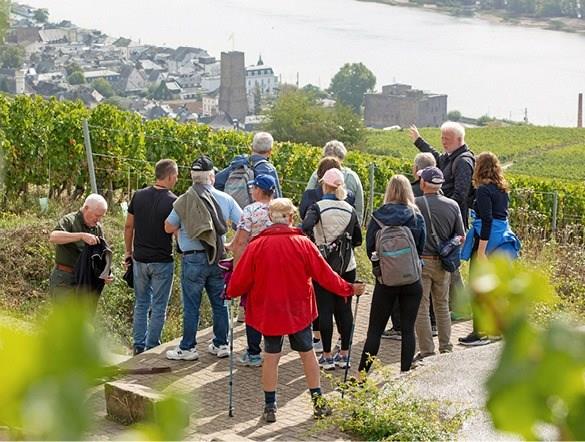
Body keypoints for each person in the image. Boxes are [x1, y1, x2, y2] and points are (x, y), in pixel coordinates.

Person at [226, 198, 366, 423]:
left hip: (270, 311)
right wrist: (349, 288)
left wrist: (229, 291)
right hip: (298, 311)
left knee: (271, 357)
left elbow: (238, 283)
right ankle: (318, 402)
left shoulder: (256, 246)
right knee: (307, 354)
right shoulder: (303, 244)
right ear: (291, 218)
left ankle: (269, 407)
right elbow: (326, 276)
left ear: (270, 218)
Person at [164, 155, 242, 361]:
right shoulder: (225, 199)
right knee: (219, 302)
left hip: (192, 259)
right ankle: (221, 344)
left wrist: (183, 230)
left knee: (191, 306)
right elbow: (243, 223)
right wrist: (232, 244)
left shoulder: (184, 200)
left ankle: (188, 348)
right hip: (218, 256)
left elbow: (168, 226)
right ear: (212, 177)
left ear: (192, 177)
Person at [358, 175, 426, 374]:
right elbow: (421, 247)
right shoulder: (416, 215)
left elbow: (370, 247)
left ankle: (361, 377)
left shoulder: (378, 217)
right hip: (411, 280)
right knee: (408, 329)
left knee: (375, 331)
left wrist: (381, 267)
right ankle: (404, 374)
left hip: (385, 281)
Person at [409, 122, 474, 319]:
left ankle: (462, 308)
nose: (444, 142)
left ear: (459, 140)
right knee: (448, 264)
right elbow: (436, 157)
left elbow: (461, 193)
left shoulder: (463, 161)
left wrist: (443, 210)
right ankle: (459, 307)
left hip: (451, 221)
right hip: (447, 217)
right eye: (442, 138)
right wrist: (419, 141)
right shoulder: (450, 157)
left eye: (447, 139)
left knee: (451, 264)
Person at [302, 168, 362, 370]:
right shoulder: (350, 209)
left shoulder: (317, 207)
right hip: (347, 265)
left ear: (324, 185)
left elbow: (305, 227)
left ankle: (326, 355)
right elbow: (358, 239)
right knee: (344, 309)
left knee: (325, 309)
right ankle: (344, 354)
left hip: (323, 266)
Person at [459, 152, 521, 346]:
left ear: (479, 167)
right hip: (502, 239)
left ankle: (480, 332)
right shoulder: (502, 189)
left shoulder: (484, 190)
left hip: (486, 241)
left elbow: (486, 220)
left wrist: (481, 251)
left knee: (477, 287)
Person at [124, 159, 178, 355]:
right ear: (170, 176)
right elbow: (176, 232)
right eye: (176, 176)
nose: (176, 179)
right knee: (159, 306)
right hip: (162, 260)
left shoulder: (138, 196)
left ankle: (138, 345)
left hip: (140, 259)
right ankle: (152, 345)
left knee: (141, 303)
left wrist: (128, 252)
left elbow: (129, 226)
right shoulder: (174, 201)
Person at [381, 152, 437, 340]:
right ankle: (432, 324)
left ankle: (399, 327)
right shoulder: (439, 193)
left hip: (400, 253)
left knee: (398, 292)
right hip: (428, 251)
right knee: (428, 294)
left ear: (416, 169)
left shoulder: (410, 194)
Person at [414, 167, 465, 360]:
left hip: (421, 262)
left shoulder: (415, 204)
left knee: (422, 307)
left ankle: (427, 351)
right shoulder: (453, 205)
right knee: (442, 305)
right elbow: (461, 236)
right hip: (443, 263)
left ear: (423, 183)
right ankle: (446, 347)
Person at [227, 174, 276, 367]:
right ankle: (272, 350)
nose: (251, 191)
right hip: (276, 264)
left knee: (253, 308)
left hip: (255, 264)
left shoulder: (250, 210)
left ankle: (253, 353)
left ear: (259, 190)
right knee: (271, 306)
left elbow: (241, 241)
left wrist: (237, 270)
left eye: (253, 188)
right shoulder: (279, 209)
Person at [49, 193, 111, 296]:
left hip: (86, 281)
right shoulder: (69, 220)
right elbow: (54, 237)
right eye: (97, 215)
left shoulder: (97, 228)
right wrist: (81, 236)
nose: (99, 220)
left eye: (102, 216)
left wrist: (106, 273)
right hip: (65, 279)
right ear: (86, 208)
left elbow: (101, 255)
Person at [305, 140, 365, 224]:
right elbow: (359, 208)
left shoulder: (317, 174)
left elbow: (307, 199)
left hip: (319, 224)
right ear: (342, 158)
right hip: (345, 225)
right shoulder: (352, 177)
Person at [215, 131, 282, 199]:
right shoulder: (268, 169)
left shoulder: (238, 163)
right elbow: (277, 198)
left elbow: (216, 182)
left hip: (233, 205)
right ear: (270, 151)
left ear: (251, 147)